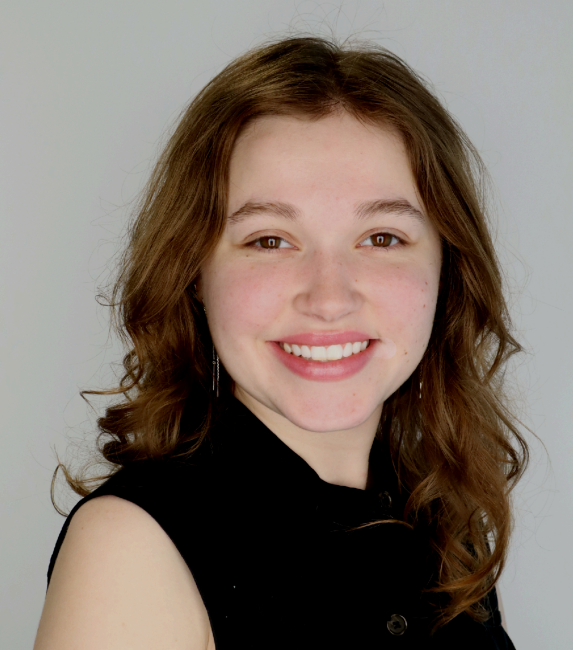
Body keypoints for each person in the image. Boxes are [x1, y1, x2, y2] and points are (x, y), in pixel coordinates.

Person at [33, 36, 528, 649]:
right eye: (269, 240)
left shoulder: (443, 529)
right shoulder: (133, 549)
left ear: (447, 268)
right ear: (194, 274)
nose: (329, 297)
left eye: (381, 238)